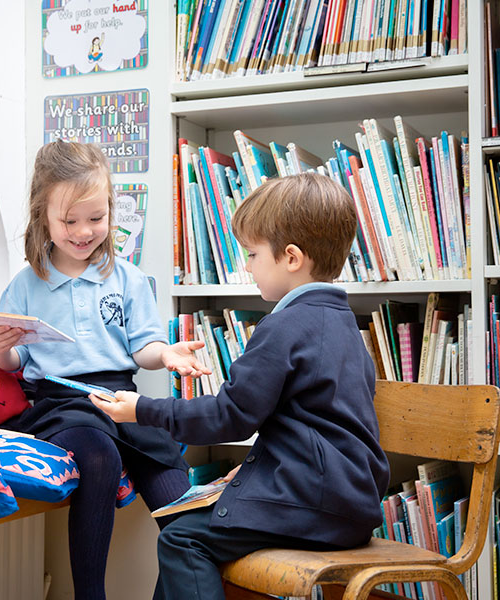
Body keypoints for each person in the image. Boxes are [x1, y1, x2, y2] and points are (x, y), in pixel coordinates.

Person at [93, 173, 391, 600]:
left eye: (252, 254)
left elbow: (227, 417)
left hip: (309, 506)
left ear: (291, 257)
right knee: (187, 529)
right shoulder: (345, 326)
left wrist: (142, 409)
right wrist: (253, 471)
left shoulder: (284, 327)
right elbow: (314, 426)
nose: (246, 265)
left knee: (181, 539)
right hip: (350, 507)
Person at [0, 140, 210, 600]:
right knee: (98, 456)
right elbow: (13, 364)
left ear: (110, 212)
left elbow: (143, 347)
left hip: (120, 400)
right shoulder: (26, 285)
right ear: (43, 218)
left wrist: (165, 355)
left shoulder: (128, 279)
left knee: (179, 500)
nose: (84, 232)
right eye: (69, 221)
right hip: (60, 405)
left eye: (96, 218)